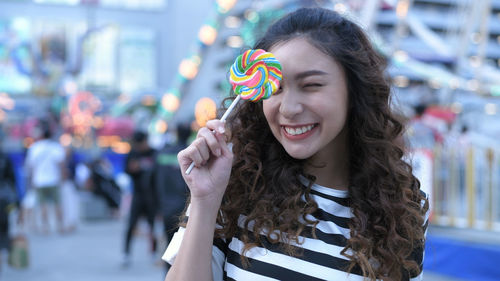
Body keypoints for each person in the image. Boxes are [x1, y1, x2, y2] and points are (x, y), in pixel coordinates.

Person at [164, 7, 429, 281]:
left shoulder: (402, 206)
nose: (288, 109)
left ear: (355, 90)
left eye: (311, 85)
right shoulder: (236, 184)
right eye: (276, 88)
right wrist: (205, 201)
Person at [154, 123, 191, 270]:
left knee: (169, 247)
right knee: (185, 251)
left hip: (166, 207)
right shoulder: (194, 153)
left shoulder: (163, 153)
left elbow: (153, 181)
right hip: (186, 210)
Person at [122, 131, 157, 267]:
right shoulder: (133, 153)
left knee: (152, 225)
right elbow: (127, 170)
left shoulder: (154, 153)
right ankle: (126, 253)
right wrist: (132, 169)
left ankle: (153, 252)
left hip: (152, 196)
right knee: (131, 224)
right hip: (137, 194)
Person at [25, 125, 65, 234]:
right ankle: (60, 226)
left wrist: (32, 181)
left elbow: (31, 167)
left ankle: (45, 227)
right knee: (57, 204)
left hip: (39, 181)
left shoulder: (34, 148)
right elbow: (61, 164)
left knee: (43, 205)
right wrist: (62, 178)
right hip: (54, 180)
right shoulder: (56, 147)